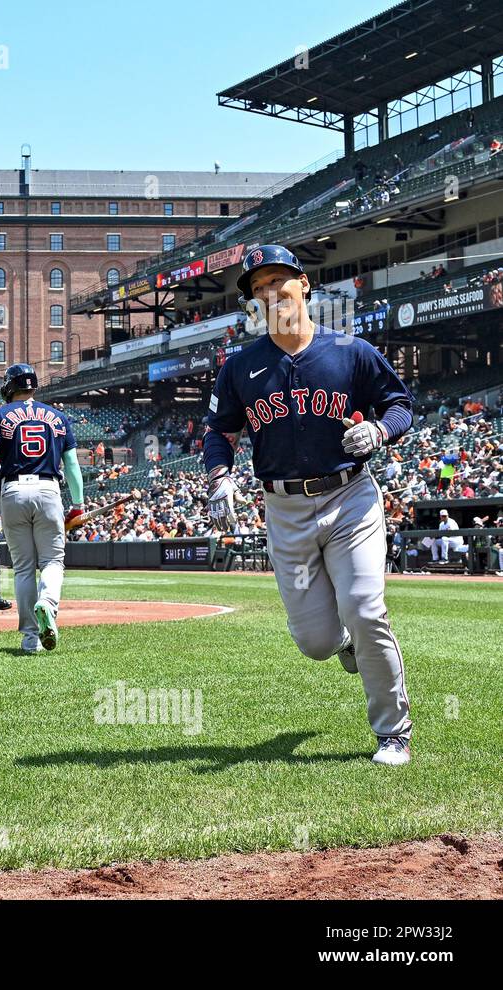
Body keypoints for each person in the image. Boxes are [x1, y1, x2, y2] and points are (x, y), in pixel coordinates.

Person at [203, 245, 413, 767]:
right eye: (259, 288)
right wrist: (220, 477)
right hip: (285, 511)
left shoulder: (351, 351)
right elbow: (220, 431)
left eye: (279, 281)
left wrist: (380, 428)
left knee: (367, 610)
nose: (271, 294)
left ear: (304, 284)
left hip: (350, 498)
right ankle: (341, 643)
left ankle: (393, 733)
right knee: (316, 643)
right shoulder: (241, 367)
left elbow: (401, 404)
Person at [0, 364, 84, 654]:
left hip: (13, 490)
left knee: (23, 569)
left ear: (10, 386)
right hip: (48, 490)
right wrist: (78, 504)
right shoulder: (58, 416)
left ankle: (31, 638)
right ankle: (48, 604)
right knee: (53, 562)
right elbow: (71, 465)